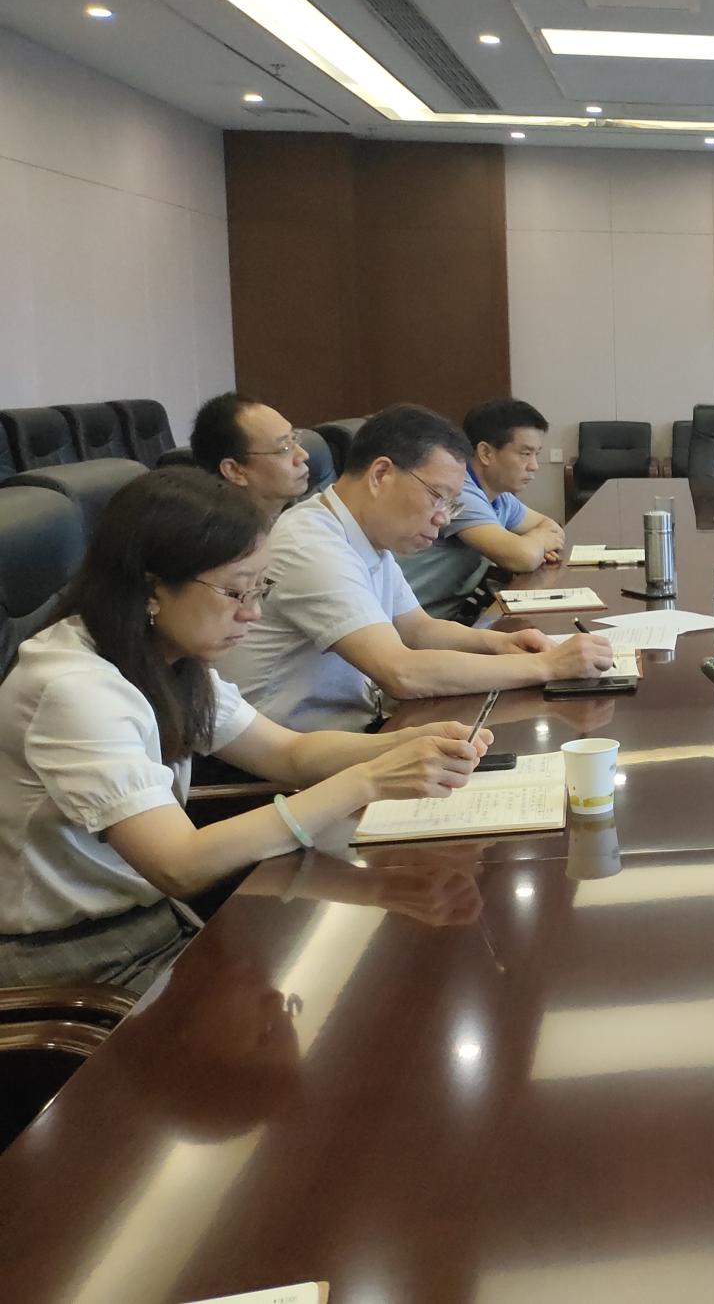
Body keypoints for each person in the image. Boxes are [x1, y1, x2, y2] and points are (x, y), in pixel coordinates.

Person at [0, 469, 489, 990]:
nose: (253, 613)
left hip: (157, 919)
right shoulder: (74, 689)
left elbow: (289, 753)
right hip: (73, 962)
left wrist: (402, 744)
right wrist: (368, 780)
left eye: (260, 589)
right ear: (152, 588)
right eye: (235, 592)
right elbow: (178, 864)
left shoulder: (160, 654)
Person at [217, 404, 613, 732]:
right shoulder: (311, 544)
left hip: (357, 730)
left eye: (452, 504)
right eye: (437, 496)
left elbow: (418, 629)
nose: (443, 518)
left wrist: (497, 644)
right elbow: (402, 673)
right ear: (381, 474)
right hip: (291, 762)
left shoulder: (364, 533)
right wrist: (545, 665)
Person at [399, 398, 567, 619]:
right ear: (486, 453)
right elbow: (522, 557)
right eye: (525, 454)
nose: (534, 465)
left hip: (445, 619)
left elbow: (551, 528)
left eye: (537, 454)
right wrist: (536, 544)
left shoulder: (500, 496)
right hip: (407, 626)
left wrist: (535, 543)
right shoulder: (460, 494)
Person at [189, 391, 312, 524]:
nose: (303, 455)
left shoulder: (306, 516)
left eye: (294, 438)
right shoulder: (222, 534)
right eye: (284, 448)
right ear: (235, 471)